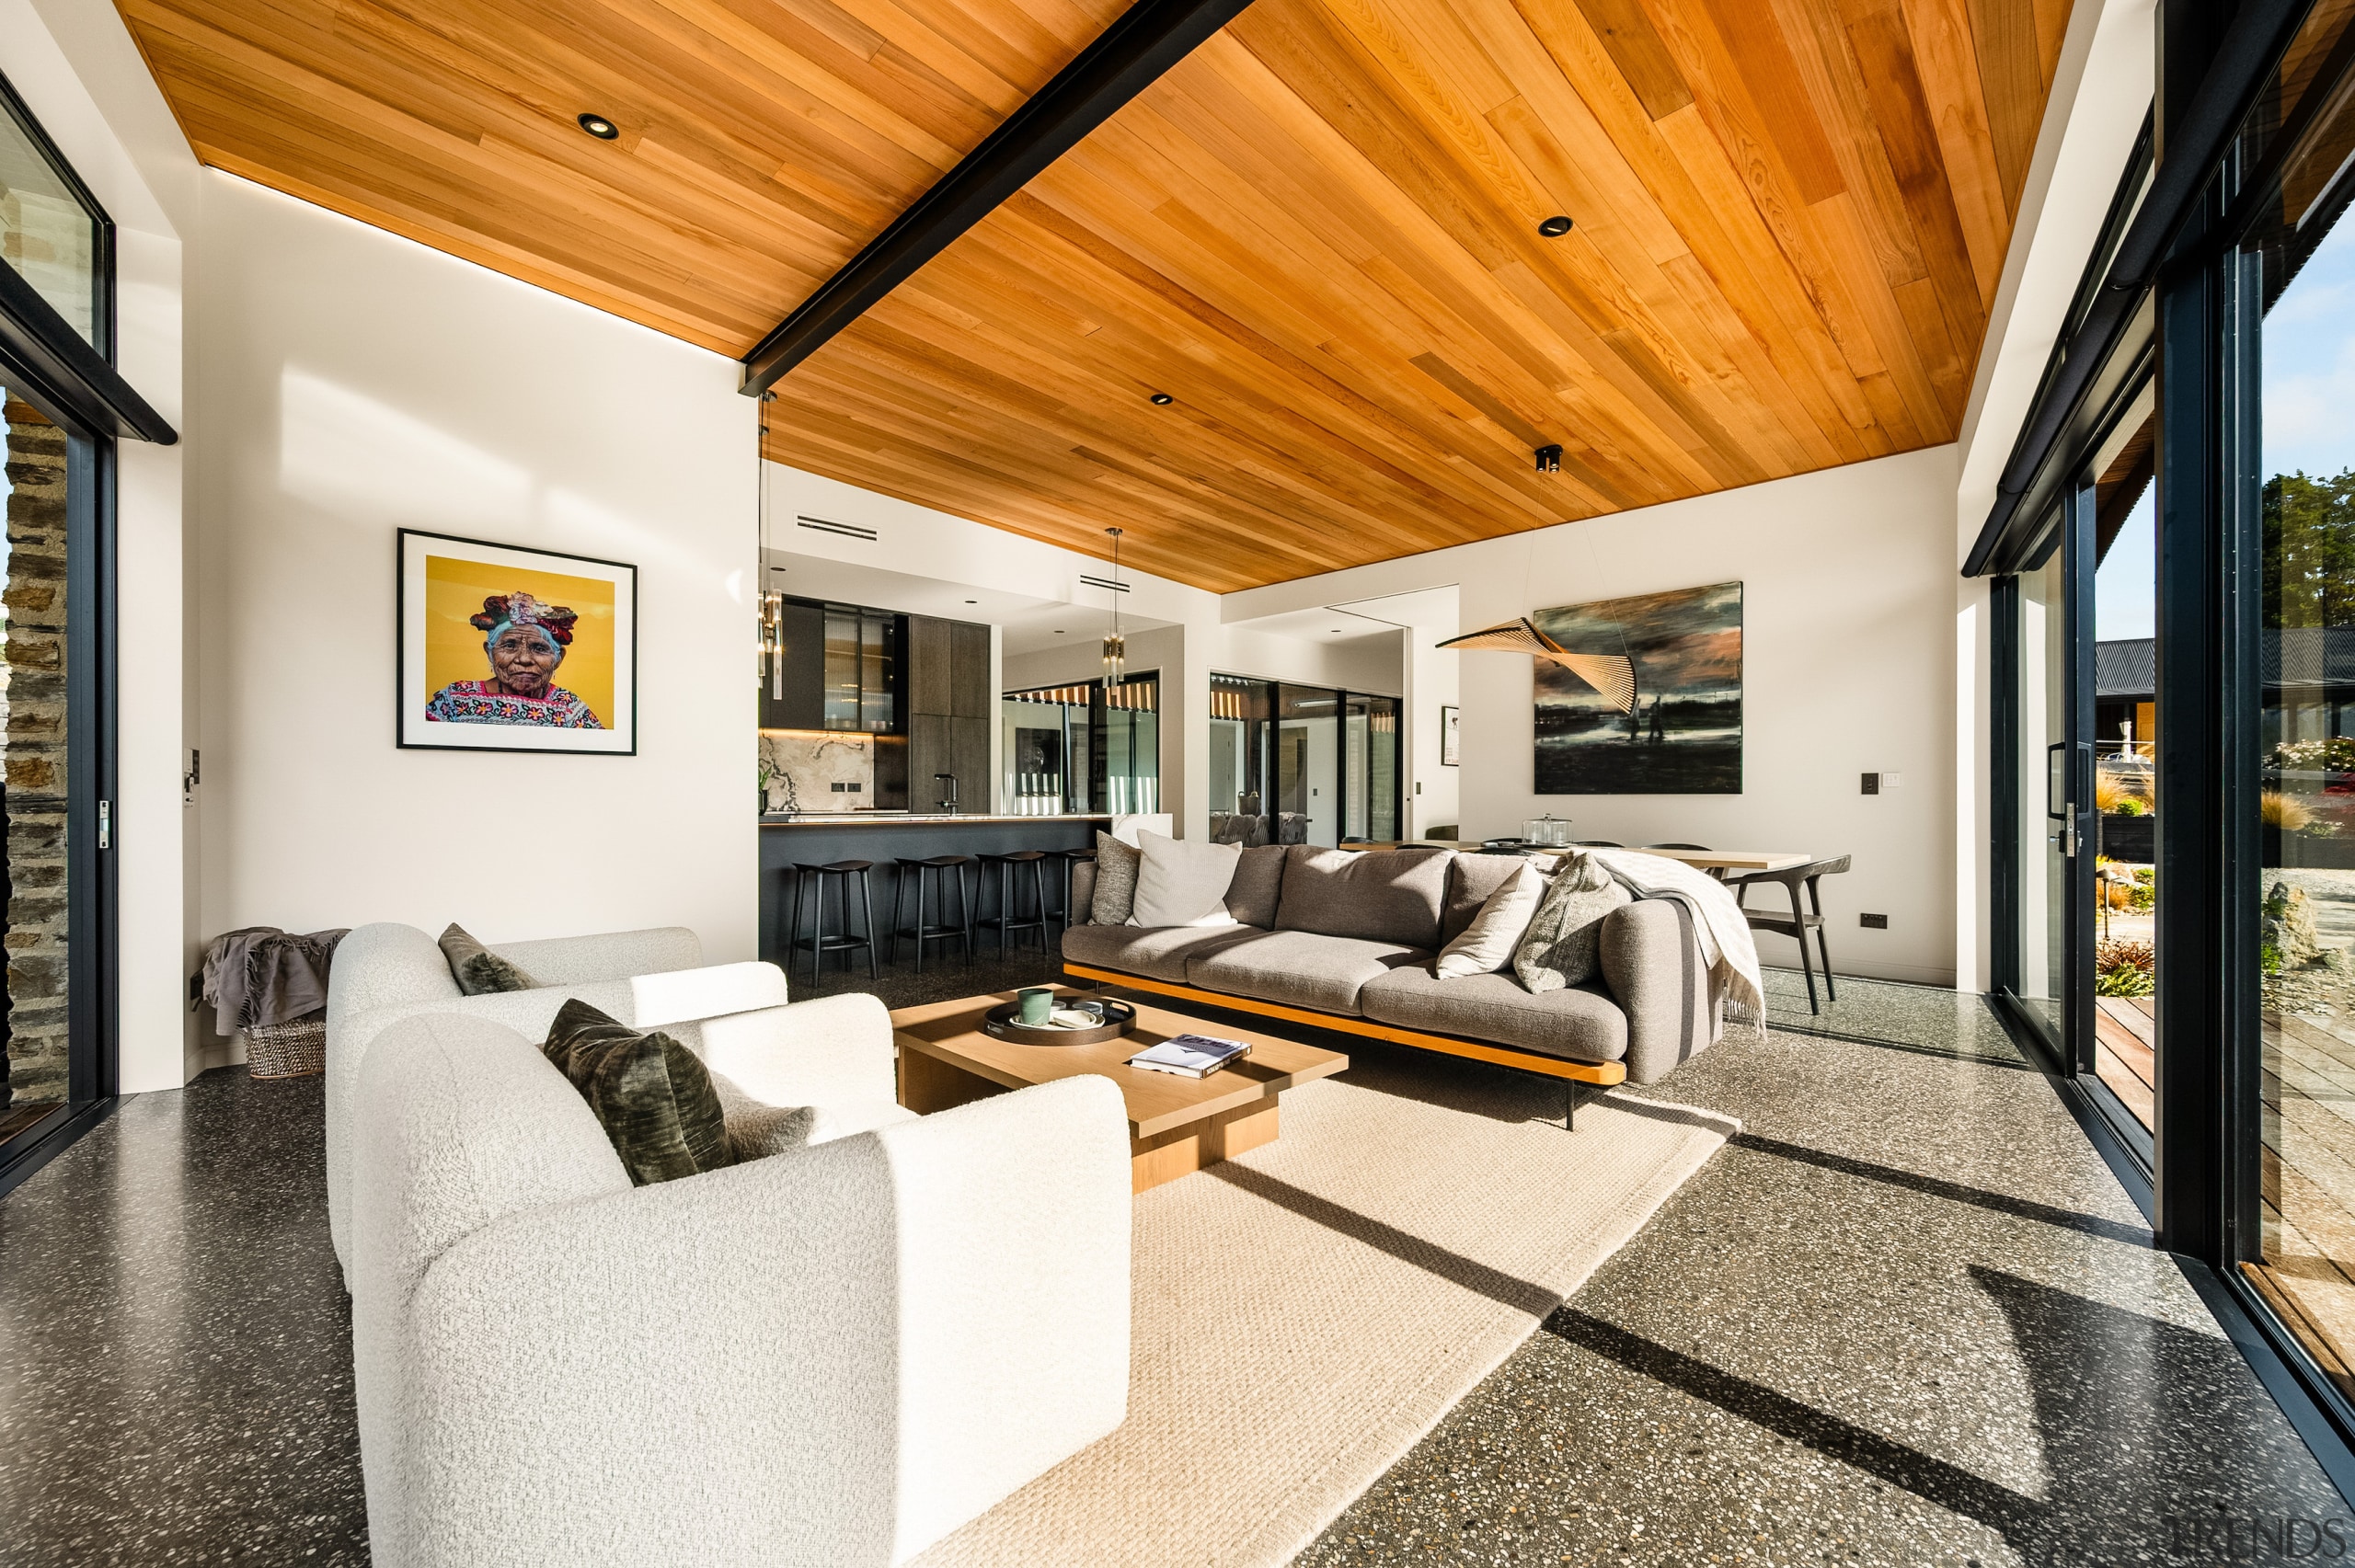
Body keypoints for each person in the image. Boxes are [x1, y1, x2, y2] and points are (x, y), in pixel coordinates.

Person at [424, 591, 603, 727]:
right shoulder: (457, 699)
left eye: (539, 648)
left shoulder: (569, 707)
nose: (524, 659)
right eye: (509, 645)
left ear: (558, 659)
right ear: (490, 652)